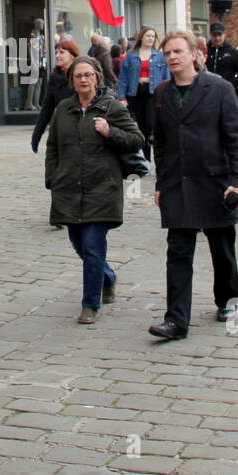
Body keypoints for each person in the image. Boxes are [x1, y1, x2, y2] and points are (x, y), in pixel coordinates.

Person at [148, 31, 238, 339]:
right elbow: (160, 142)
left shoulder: (218, 88)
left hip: (215, 183)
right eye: (167, 53)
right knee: (178, 251)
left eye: (178, 51)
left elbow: (236, 138)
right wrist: (161, 182)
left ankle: (227, 299)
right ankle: (176, 320)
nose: (172, 57)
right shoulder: (163, 92)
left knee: (222, 248)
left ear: (194, 54)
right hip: (178, 184)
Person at [45, 57, 144, 324]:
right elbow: (53, 146)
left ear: (97, 78)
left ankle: (90, 304)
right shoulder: (63, 109)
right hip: (69, 188)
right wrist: (51, 178)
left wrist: (110, 131)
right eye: (78, 76)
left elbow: (137, 139)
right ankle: (108, 276)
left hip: (103, 188)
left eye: (88, 75)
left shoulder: (111, 108)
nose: (84, 80)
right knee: (80, 245)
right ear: (72, 81)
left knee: (91, 246)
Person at [116, 26, 168, 163]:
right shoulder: (130, 57)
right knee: (141, 127)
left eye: (153, 36)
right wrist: (121, 97)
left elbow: (166, 77)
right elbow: (123, 79)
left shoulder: (160, 56)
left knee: (151, 123)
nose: (151, 38)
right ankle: (146, 159)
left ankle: (155, 148)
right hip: (136, 93)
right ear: (142, 38)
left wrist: (167, 94)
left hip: (154, 93)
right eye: (148, 36)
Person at [31, 37, 80, 153]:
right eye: (56, 52)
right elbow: (47, 109)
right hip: (62, 130)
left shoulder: (82, 74)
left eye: (62, 52)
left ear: (72, 55)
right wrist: (36, 136)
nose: (57, 55)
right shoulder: (54, 77)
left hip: (83, 130)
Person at [206, 22, 238, 99]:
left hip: (226, 94)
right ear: (210, 34)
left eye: (219, 35)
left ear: (225, 34)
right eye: (214, 35)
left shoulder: (233, 52)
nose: (217, 38)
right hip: (207, 93)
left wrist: (230, 84)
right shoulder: (205, 51)